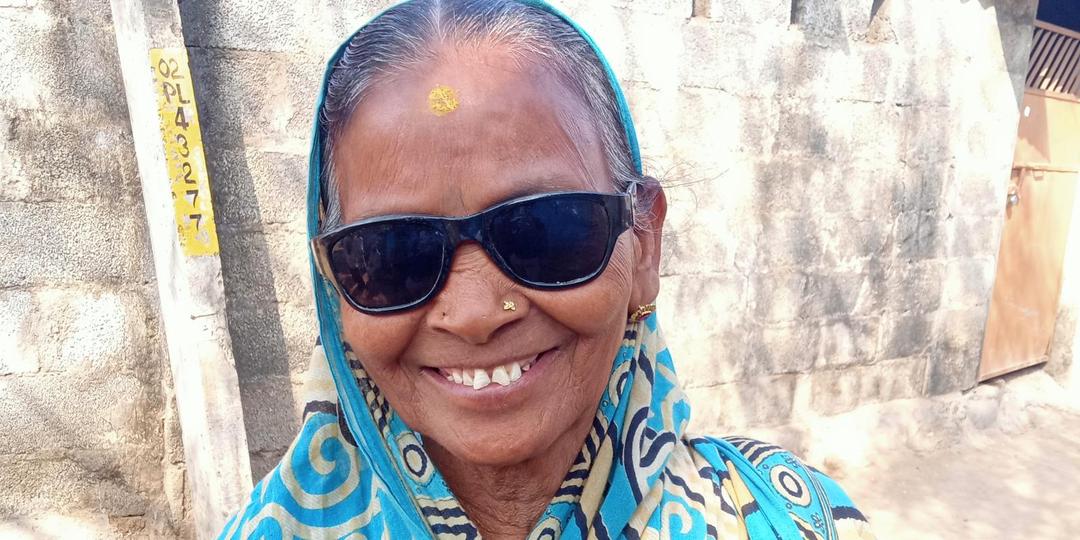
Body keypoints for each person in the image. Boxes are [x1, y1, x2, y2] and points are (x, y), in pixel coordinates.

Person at [220, 1, 875, 538]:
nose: (474, 313)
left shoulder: (794, 521)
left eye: (546, 229)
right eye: (393, 253)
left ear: (643, 243)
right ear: (335, 288)